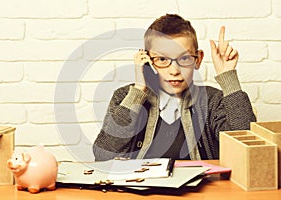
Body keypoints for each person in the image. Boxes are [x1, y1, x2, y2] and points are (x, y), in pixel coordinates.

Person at [93, 14, 256, 161]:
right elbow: (103, 154)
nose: (174, 71)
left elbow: (247, 148)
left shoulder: (213, 101)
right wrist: (138, 91)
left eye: (184, 58)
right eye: (162, 59)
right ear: (148, 61)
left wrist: (228, 77)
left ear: (197, 60)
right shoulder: (126, 97)